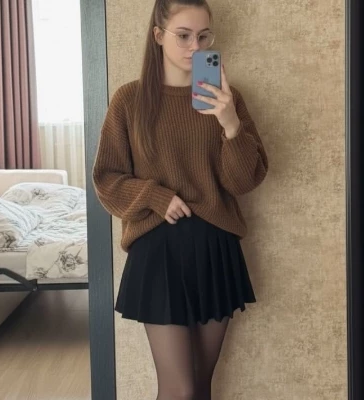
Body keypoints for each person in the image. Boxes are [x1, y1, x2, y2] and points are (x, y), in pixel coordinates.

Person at [92, 0, 268, 398]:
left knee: (201, 387)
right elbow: (106, 178)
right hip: (158, 251)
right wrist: (154, 196)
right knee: (179, 390)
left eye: (204, 36)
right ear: (158, 35)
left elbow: (244, 180)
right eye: (184, 36)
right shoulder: (129, 100)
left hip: (215, 247)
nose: (195, 46)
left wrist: (230, 124)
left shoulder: (227, 98)